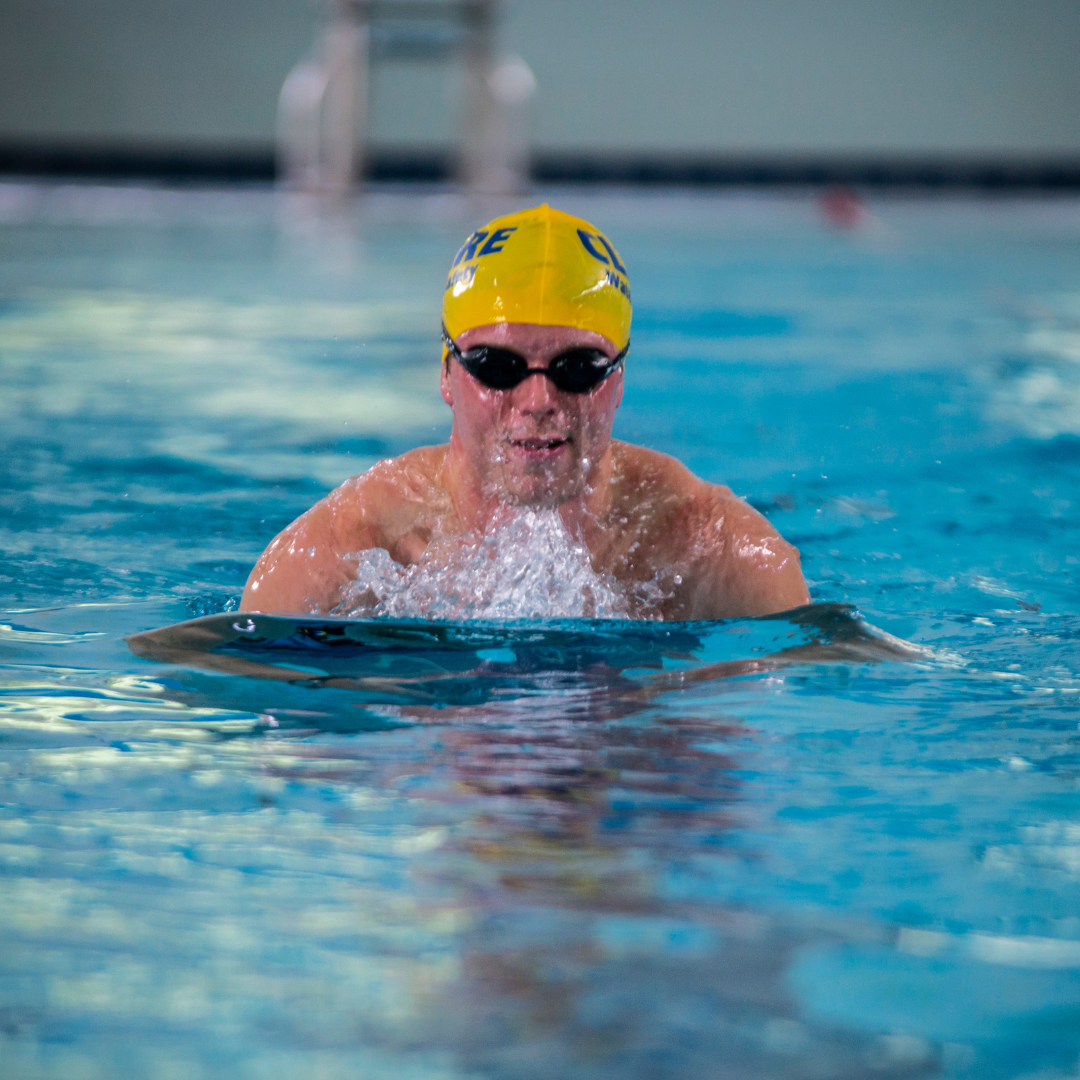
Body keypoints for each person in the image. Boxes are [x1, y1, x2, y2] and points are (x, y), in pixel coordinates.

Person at [240, 205, 809, 620]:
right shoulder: (349, 546)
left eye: (579, 368)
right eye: (497, 366)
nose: (538, 402)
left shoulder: (713, 549)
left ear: (617, 383)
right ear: (446, 373)